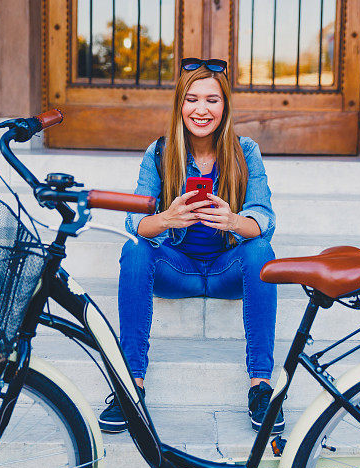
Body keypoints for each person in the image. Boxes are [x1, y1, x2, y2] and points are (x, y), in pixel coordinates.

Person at [99, 58, 281, 435]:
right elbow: (136, 220)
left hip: (227, 271)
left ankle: (261, 385)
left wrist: (233, 221)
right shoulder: (160, 152)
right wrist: (167, 219)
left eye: (212, 100)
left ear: (225, 106)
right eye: (192, 99)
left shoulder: (245, 151)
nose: (201, 110)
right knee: (135, 250)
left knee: (260, 251)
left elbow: (265, 218)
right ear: (180, 105)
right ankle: (132, 384)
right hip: (176, 270)